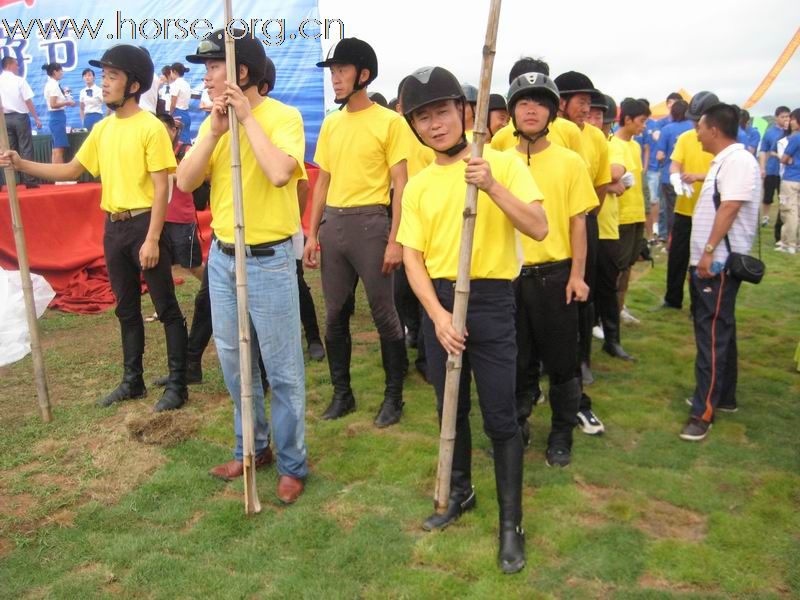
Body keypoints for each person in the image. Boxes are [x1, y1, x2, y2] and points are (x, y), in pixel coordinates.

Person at [397, 66, 547, 574]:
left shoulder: (500, 164)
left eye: (442, 111)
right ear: (414, 126)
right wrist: (437, 316)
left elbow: (539, 227)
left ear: (464, 112)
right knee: (449, 409)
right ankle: (459, 493)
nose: (434, 124)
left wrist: (492, 188)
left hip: (491, 299)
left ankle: (512, 526)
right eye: (423, 117)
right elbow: (412, 258)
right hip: (442, 303)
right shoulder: (418, 185)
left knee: (500, 417)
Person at [1, 45, 189, 412]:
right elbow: (71, 171)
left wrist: (152, 238)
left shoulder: (151, 127)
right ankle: (132, 380)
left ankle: (178, 384)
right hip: (114, 228)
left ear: (133, 84)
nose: (104, 84)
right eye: (103, 76)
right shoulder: (102, 129)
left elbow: (161, 186)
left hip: (142, 225)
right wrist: (23, 163)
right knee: (126, 308)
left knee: (165, 306)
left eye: (112, 77)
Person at [177, 30, 309, 502]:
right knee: (235, 365)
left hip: (270, 259)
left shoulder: (284, 117)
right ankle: (251, 448)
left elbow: (279, 174)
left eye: (213, 67)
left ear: (242, 72)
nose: (207, 76)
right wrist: (214, 130)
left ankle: (293, 462)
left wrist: (247, 119)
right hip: (223, 259)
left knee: (284, 368)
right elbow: (185, 180)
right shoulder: (210, 122)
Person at [303, 38, 409, 428]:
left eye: (342, 70)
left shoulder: (390, 122)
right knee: (334, 315)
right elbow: (322, 182)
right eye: (332, 72)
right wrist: (312, 234)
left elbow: (402, 185)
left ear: (363, 74)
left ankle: (393, 398)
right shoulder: (332, 123)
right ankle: (342, 394)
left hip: (371, 224)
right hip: (334, 226)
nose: (335, 78)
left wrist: (396, 239)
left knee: (384, 313)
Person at [506, 72, 598, 463]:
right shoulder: (499, 161)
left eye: (539, 103)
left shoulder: (570, 162)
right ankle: (519, 421)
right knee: (517, 359)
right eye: (523, 102)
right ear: (512, 111)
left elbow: (579, 222)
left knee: (562, 362)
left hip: (556, 275)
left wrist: (577, 274)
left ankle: (562, 431)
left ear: (552, 112)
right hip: (509, 277)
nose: (531, 109)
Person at [681, 103, 760, 441]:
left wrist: (709, 251)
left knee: (711, 335)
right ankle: (723, 396)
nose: (696, 133)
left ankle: (703, 412)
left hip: (718, 263)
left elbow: (730, 207)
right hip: (711, 260)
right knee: (720, 328)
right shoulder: (725, 161)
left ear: (714, 129)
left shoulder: (738, 161)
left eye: (699, 126)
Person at [552, 70, 610, 397]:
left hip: (583, 219)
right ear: (561, 102)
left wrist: (587, 216)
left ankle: (582, 357)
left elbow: (600, 183)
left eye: (589, 101)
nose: (586, 107)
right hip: (548, 223)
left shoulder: (597, 137)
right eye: (581, 101)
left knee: (583, 293)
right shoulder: (553, 131)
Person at [661, 91, 716, 310]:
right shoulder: (685, 138)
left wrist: (697, 177)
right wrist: (675, 177)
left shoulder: (721, 141)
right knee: (677, 256)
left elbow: (722, 171)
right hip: (684, 208)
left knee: (701, 260)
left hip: (709, 210)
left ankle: (699, 304)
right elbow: (675, 163)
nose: (695, 125)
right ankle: (672, 299)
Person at [596, 94, 636, 361]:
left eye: (603, 121)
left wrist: (606, 182)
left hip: (606, 227)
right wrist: (607, 185)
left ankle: (612, 339)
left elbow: (615, 171)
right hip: (577, 227)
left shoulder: (612, 145)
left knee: (607, 289)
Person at [614, 99, 649, 325]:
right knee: (618, 267)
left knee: (628, 266)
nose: (644, 126)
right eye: (642, 121)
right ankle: (609, 313)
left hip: (637, 214)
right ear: (627, 120)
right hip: (621, 215)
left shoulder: (635, 146)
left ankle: (620, 307)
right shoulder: (613, 145)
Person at [0, 56, 42, 188]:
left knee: (9, 149)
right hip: (20, 117)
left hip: (5, 118)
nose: (18, 67)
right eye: (16, 64)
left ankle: (11, 180)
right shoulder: (19, 81)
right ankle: (29, 179)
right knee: (25, 148)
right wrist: (36, 117)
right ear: (10, 65)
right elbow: (28, 100)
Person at [656, 100, 693, 238]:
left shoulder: (667, 129)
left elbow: (660, 155)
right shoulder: (693, 128)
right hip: (691, 175)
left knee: (671, 209)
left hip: (670, 175)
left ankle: (671, 238)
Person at [759, 106, 790, 230]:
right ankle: (766, 217)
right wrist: (762, 168)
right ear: (777, 118)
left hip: (786, 172)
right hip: (771, 169)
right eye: (783, 117)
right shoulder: (770, 133)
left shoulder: (792, 132)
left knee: (783, 198)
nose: (786, 119)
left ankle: (782, 219)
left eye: (787, 116)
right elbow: (763, 151)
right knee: (768, 196)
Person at [42, 62, 75, 164]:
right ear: (55, 72)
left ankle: (56, 177)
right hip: (57, 117)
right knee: (59, 149)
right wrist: (68, 102)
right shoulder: (53, 85)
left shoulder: (51, 84)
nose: (62, 72)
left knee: (56, 148)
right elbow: (53, 104)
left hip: (56, 117)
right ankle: (60, 177)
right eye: (60, 70)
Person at [777, 108, 800, 254]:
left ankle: (788, 243)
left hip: (791, 178)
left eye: (792, 119)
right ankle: (796, 243)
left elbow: (784, 158)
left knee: (789, 211)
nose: (790, 122)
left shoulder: (796, 138)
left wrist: (787, 160)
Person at [168, 62, 193, 143]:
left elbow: (173, 103)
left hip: (177, 113)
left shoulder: (175, 84)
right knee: (186, 138)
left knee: (178, 140)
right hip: (186, 113)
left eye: (170, 72)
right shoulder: (186, 84)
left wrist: (170, 114)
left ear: (174, 71)